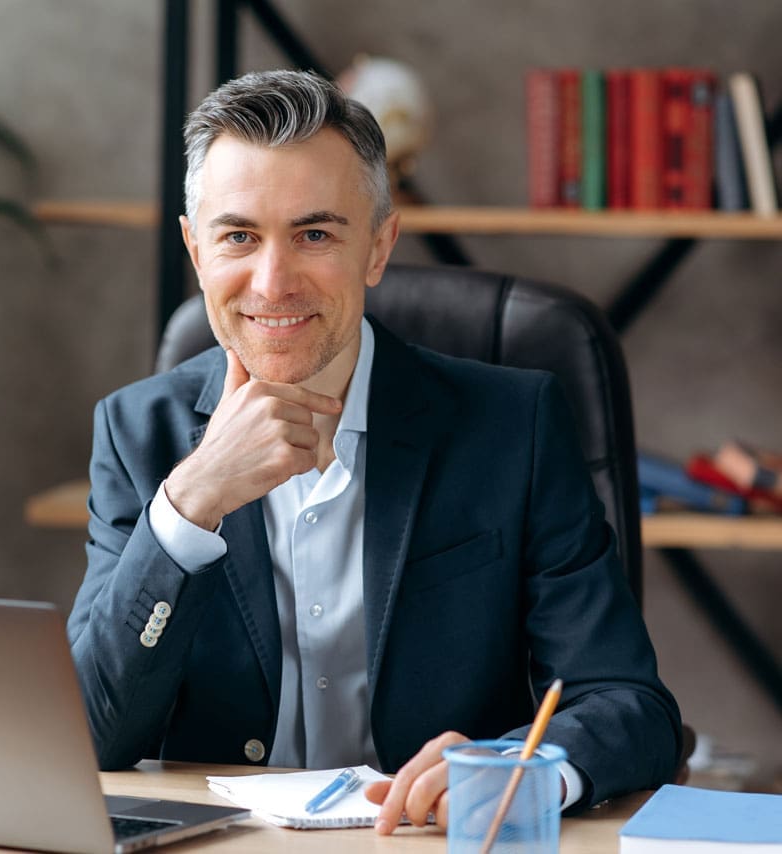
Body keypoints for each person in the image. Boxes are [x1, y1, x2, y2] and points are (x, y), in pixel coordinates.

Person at [67, 69, 682, 833]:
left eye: (315, 234)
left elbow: (632, 704)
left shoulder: (512, 426)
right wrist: (190, 504)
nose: (273, 280)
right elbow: (91, 734)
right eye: (238, 236)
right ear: (196, 250)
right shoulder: (138, 433)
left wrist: (530, 767)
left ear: (379, 247)